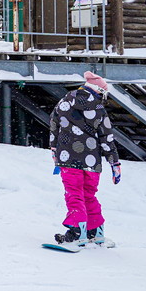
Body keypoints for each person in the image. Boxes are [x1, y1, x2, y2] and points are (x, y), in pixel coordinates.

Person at [50, 71, 121, 247]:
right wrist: (114, 162)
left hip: (68, 157)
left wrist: (54, 147)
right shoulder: (99, 109)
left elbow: (54, 123)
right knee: (89, 195)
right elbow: (107, 137)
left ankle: (76, 233)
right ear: (99, 91)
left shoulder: (65, 101)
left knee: (74, 194)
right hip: (91, 161)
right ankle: (95, 232)